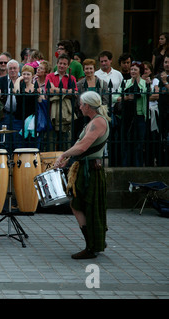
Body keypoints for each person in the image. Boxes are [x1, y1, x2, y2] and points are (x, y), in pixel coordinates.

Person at [54, 91, 110, 259]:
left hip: (90, 170)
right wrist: (69, 157)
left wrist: (63, 155)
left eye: (81, 104)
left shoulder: (98, 122)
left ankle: (91, 247)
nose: (79, 106)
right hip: (87, 168)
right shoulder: (94, 121)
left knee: (81, 205)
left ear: (87, 106)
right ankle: (95, 242)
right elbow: (80, 145)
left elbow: (83, 146)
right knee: (85, 206)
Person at [113, 61, 147, 167]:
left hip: (140, 115)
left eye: (135, 69)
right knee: (126, 142)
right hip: (126, 116)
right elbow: (114, 97)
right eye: (131, 69)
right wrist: (126, 97)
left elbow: (144, 94)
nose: (132, 71)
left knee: (138, 143)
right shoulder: (125, 82)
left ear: (140, 71)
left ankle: (138, 166)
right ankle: (126, 165)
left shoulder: (144, 83)